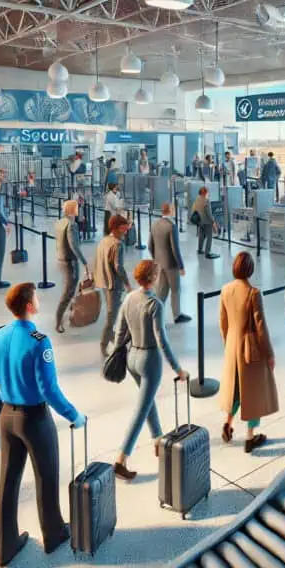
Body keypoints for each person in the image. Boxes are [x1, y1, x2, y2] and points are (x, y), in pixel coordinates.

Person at [0, 283, 84, 567]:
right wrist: (74, 415)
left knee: (8, 481)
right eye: (35, 297)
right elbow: (49, 390)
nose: (39, 300)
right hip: (35, 419)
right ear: (28, 305)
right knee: (46, 477)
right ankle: (53, 534)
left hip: (7, 417)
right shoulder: (39, 341)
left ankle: (7, 546)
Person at [109, 260, 187, 480]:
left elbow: (119, 330)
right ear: (153, 279)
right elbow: (162, 340)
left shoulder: (129, 298)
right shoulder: (155, 304)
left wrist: (117, 353)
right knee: (141, 409)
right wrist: (178, 369)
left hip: (131, 357)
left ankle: (158, 440)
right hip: (149, 359)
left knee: (147, 400)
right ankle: (121, 459)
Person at [219, 252, 278, 453]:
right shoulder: (253, 293)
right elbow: (260, 326)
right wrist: (269, 353)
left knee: (235, 389)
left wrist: (228, 344)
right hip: (249, 348)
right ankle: (250, 438)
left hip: (232, 346)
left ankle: (228, 423)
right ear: (250, 269)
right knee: (253, 392)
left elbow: (223, 323)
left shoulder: (225, 290)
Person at [95, 215, 132, 357]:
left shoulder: (104, 241)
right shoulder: (118, 244)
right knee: (111, 318)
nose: (127, 228)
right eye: (124, 226)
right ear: (117, 227)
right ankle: (104, 345)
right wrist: (127, 283)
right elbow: (118, 267)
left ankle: (114, 337)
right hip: (114, 285)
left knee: (114, 311)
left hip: (104, 282)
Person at [149, 202, 190, 324]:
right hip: (171, 265)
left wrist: (156, 260)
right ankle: (177, 315)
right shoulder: (172, 226)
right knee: (175, 290)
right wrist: (181, 266)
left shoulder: (155, 224)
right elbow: (175, 249)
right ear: (171, 210)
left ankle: (155, 315)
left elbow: (150, 246)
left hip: (159, 264)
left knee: (161, 291)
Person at [53, 200, 89, 334]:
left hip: (61, 259)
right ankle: (58, 322)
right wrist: (84, 261)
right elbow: (74, 245)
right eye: (76, 207)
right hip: (70, 262)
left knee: (70, 291)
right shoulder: (72, 225)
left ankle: (69, 315)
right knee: (68, 292)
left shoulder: (60, 222)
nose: (78, 209)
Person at [191, 186, 219, 260]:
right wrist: (213, 222)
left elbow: (193, 210)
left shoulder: (196, 200)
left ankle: (200, 250)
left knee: (201, 236)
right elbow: (209, 213)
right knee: (209, 236)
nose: (208, 193)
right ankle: (208, 252)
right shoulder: (206, 200)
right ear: (205, 193)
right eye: (207, 192)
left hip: (199, 221)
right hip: (207, 221)